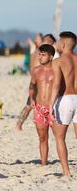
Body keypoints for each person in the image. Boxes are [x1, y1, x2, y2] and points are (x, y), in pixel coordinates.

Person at [49, 31, 77, 176]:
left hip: (66, 99)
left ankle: (67, 172)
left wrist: (50, 105)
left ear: (64, 44)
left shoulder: (58, 61)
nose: (57, 44)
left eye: (59, 42)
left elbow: (56, 84)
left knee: (60, 137)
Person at [16, 34, 56, 131]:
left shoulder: (44, 52)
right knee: (29, 105)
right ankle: (19, 124)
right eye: (46, 40)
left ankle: (19, 124)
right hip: (37, 82)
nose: (47, 42)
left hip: (45, 82)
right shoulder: (38, 51)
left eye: (49, 41)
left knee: (40, 105)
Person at [28, 44, 55, 165]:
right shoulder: (35, 71)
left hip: (54, 108)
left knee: (60, 138)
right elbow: (32, 85)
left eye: (43, 55)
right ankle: (44, 163)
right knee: (42, 137)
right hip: (39, 107)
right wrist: (31, 98)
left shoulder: (57, 71)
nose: (40, 57)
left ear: (51, 57)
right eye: (39, 54)